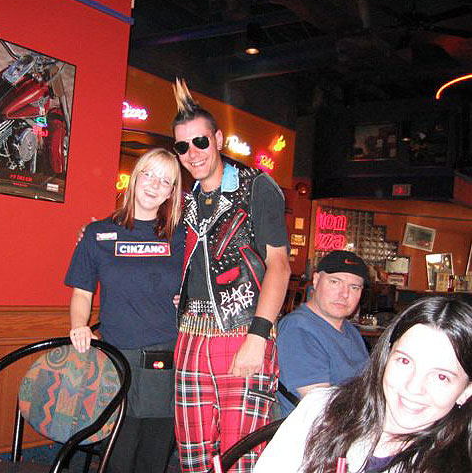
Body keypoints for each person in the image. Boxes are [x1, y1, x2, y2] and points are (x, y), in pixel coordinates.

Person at [171, 79, 292, 473]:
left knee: (242, 455)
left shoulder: (257, 186)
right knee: (193, 456)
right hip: (190, 335)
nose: (192, 153)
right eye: (182, 146)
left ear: (218, 139)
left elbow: (279, 265)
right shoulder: (187, 200)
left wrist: (257, 337)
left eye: (200, 141)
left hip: (242, 332)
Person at [65, 148, 185, 473]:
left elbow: (206, 282)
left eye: (165, 180)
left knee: (154, 456)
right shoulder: (97, 234)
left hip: (167, 355)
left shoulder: (183, 237)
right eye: (149, 174)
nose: (154, 185)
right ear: (134, 178)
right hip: (117, 356)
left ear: (172, 192)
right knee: (118, 453)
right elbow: (82, 292)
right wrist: (79, 324)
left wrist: (187, 299)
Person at [254, 296, 472, 472]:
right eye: (405, 361)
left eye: (441, 376)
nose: (413, 388)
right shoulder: (321, 410)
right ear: (385, 358)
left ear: (466, 391)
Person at [276, 250, 370, 416]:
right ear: (316, 280)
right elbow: (321, 409)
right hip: (321, 429)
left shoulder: (350, 331)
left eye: (354, 287)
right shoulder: (298, 329)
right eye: (335, 282)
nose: (344, 294)